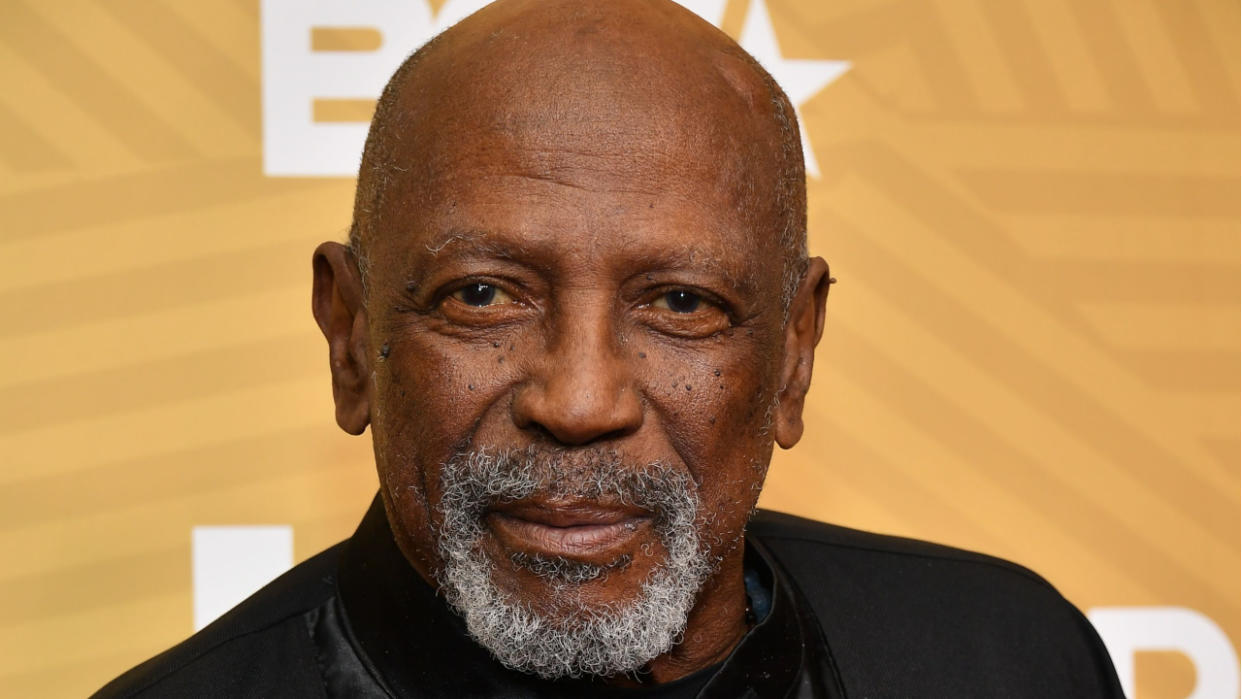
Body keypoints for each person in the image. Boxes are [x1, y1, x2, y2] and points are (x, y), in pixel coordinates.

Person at [94, 0, 1124, 696]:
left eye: (681, 303)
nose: (580, 400)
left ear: (795, 355)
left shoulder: (1004, 660)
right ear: (352, 337)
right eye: (484, 294)